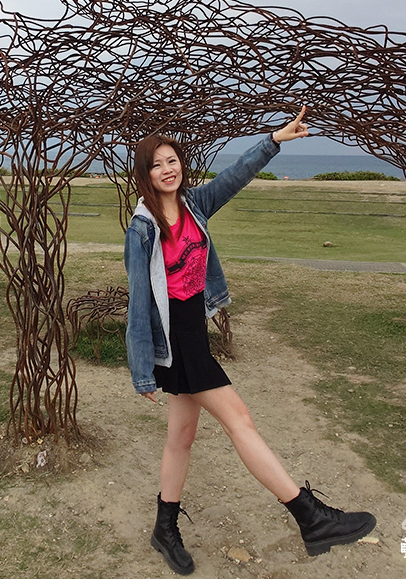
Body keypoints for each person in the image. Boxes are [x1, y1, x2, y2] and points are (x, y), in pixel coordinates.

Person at [124, 107, 375, 574]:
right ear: (146, 174)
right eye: (157, 164)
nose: (167, 169)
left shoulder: (195, 204)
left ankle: (164, 528)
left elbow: (235, 176)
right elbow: (139, 302)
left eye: (172, 160)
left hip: (194, 332)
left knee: (181, 437)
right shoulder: (142, 229)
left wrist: (274, 140)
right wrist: (142, 369)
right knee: (241, 420)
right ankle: (310, 517)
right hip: (177, 341)